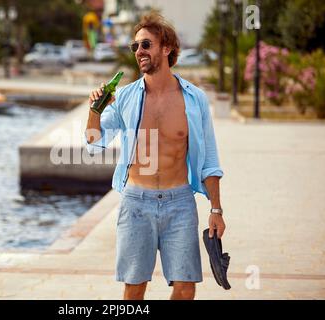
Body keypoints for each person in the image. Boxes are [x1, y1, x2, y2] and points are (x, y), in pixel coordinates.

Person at [84, 12, 226, 300]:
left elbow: (210, 160)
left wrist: (216, 209)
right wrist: (94, 110)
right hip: (137, 203)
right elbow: (93, 144)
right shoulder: (125, 97)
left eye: (146, 45)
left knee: (186, 290)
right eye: (135, 47)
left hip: (180, 204)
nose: (139, 52)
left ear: (167, 48)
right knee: (135, 289)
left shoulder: (194, 99)